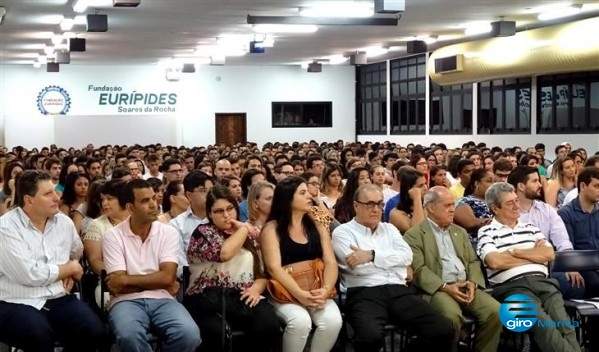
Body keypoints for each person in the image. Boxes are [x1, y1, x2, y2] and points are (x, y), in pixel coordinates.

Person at [332, 184, 454, 352]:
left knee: (442, 330)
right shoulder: (343, 232)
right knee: (370, 337)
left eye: (380, 204)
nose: (376, 209)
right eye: (370, 204)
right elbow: (358, 269)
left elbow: (407, 256)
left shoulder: (389, 229)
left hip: (398, 291)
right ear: (356, 205)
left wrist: (372, 255)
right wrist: (394, 263)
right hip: (364, 293)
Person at [0, 170, 104, 351]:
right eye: (48, 194)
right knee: (37, 333)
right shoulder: (6, 228)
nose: (57, 198)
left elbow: (77, 249)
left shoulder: (64, 222)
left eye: (55, 191)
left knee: (92, 329)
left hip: (57, 296)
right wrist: (69, 269)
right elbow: (29, 274)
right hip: (16, 300)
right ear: (28, 200)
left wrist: (72, 263)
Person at [477, 182, 580, 352]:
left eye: (517, 200)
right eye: (510, 203)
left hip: (544, 283)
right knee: (545, 326)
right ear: (495, 208)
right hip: (512, 288)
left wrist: (514, 252)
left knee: (565, 325)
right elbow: (494, 262)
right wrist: (533, 255)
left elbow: (548, 255)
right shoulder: (487, 232)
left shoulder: (531, 228)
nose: (517, 206)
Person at [102, 179, 201, 352]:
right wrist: (160, 280)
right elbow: (117, 284)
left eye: (154, 198)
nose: (154, 205)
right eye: (145, 201)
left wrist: (127, 280)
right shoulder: (113, 236)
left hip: (162, 298)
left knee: (189, 334)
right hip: (125, 301)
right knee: (128, 336)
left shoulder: (168, 232)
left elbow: (167, 276)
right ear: (130, 207)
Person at [404, 186, 501, 352]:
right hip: (437, 289)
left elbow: (472, 261)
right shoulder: (414, 235)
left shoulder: (460, 232)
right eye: (447, 205)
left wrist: (473, 283)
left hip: (465, 284)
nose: (452, 210)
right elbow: (419, 270)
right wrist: (445, 287)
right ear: (431, 208)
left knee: (496, 311)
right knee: (451, 317)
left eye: (453, 205)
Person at [184, 186, 280, 351]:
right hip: (207, 297)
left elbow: (262, 273)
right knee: (216, 332)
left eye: (230, 209)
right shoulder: (203, 232)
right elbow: (225, 253)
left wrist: (256, 290)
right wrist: (243, 228)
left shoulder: (251, 234)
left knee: (269, 324)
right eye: (219, 211)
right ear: (210, 214)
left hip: (242, 296)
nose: (226, 215)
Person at [261, 176, 342, 352]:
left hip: (316, 287)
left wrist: (326, 290)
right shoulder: (272, 229)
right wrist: (300, 294)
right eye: (303, 192)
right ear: (288, 198)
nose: (310, 196)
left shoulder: (317, 224)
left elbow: (330, 261)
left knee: (333, 321)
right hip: (285, 291)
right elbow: (273, 268)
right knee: (300, 322)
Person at [507, 166, 585, 299]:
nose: (540, 185)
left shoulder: (547, 210)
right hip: (519, 267)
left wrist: (570, 265)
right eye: (535, 181)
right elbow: (510, 249)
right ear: (520, 186)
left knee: (574, 283)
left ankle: (567, 318)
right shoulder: (508, 212)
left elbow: (562, 241)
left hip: (547, 265)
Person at [558, 166, 599, 297]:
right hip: (582, 264)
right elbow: (567, 246)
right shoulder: (566, 213)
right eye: (597, 186)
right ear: (583, 186)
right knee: (596, 284)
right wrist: (572, 267)